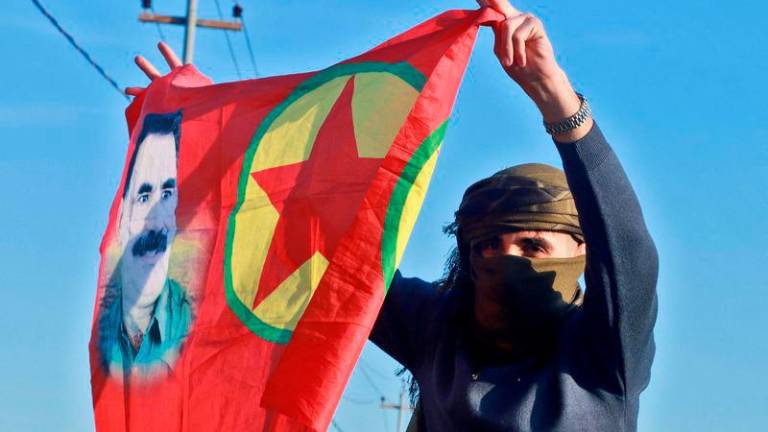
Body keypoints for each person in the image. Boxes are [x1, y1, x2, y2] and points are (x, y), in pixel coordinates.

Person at [127, 0, 657, 428]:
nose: (503, 260)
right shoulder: (441, 329)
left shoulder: (601, 355)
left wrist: (556, 98)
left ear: (583, 250)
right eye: (486, 247)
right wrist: (206, 136)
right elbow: (320, 244)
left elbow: (629, 252)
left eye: (532, 246)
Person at [97, 111, 192, 378]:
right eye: (143, 196)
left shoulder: (194, 320)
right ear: (122, 212)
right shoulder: (104, 324)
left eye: (168, 194)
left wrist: (196, 106)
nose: (155, 221)